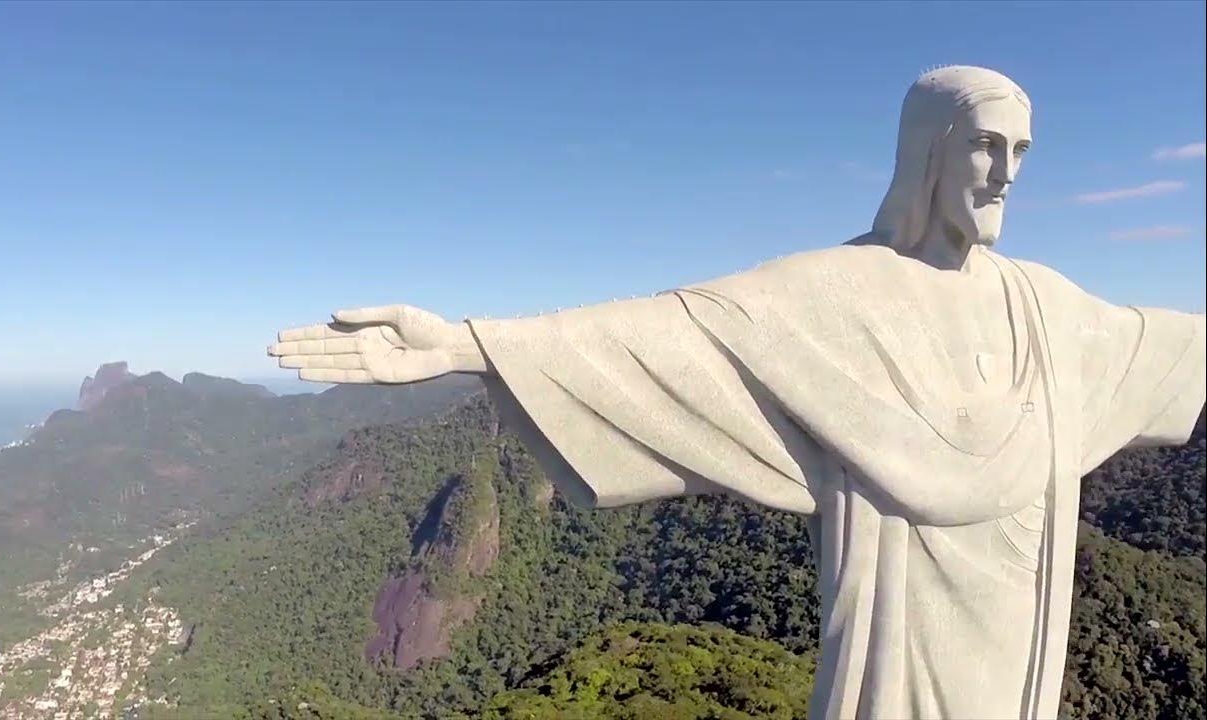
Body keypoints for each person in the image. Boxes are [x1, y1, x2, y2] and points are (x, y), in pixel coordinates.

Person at [267, 66, 1205, 720]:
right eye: (986, 146)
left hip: (1018, 646)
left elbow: (1162, 347)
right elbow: (675, 334)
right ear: (930, 151)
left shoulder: (1046, 307)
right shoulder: (839, 292)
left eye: (1022, 151)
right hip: (895, 651)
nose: (1007, 174)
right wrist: (467, 342)